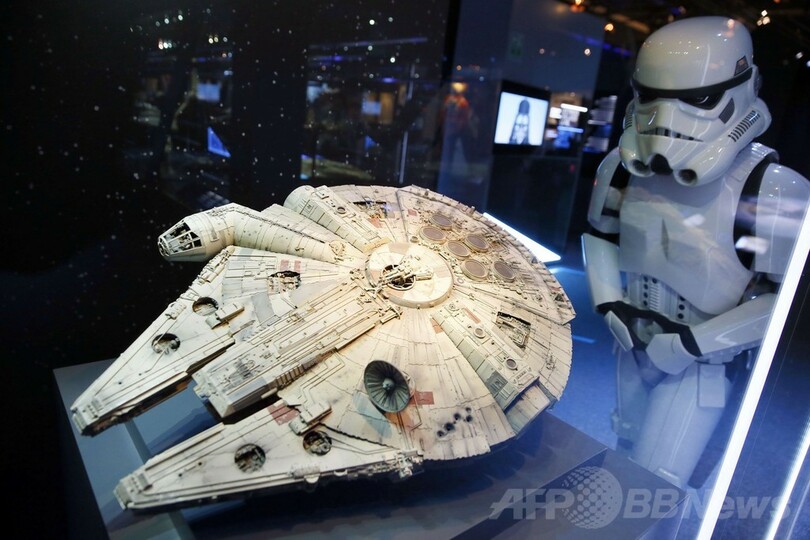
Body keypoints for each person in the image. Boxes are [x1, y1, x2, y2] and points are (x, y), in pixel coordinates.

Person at [582, 16, 809, 488]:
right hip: (633, 340)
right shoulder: (618, 170)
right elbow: (599, 235)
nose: (668, 118)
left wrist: (692, 345)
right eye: (652, 97)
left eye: (699, 100)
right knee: (625, 452)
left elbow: (782, 302)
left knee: (656, 483)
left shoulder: (772, 188)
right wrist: (610, 306)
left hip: (701, 362)